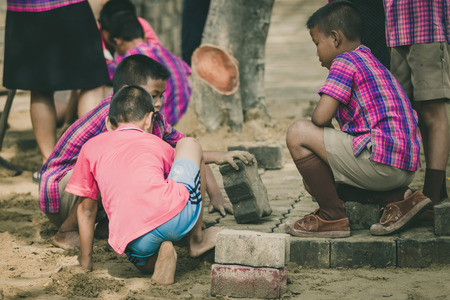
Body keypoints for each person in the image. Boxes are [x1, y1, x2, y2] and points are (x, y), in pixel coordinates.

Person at [39, 54, 252, 250]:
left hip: (88, 197)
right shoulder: (111, 116)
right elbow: (102, 166)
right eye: (153, 95)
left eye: (161, 95)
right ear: (128, 91)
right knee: (122, 168)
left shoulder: (154, 118)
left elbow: (189, 152)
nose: (158, 103)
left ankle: (108, 228)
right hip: (63, 190)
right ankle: (67, 232)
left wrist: (217, 197)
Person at [283, 1, 429, 238]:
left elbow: (320, 117)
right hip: (402, 166)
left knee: (298, 132)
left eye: (317, 43)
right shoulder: (371, 60)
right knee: (317, 182)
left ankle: (332, 216)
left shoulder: (344, 61)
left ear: (335, 38)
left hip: (381, 161)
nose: (316, 51)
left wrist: (320, 114)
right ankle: (400, 199)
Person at [68, 85, 223, 285]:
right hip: (176, 218)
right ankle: (196, 241)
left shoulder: (90, 147)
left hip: (134, 238)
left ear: (108, 122)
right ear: (149, 119)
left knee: (140, 255)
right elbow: (177, 174)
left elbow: (87, 210)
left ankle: (155, 260)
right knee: (189, 144)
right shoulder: (158, 144)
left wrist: (85, 264)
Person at [3, 0, 110, 170]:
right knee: (92, 82)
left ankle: (50, 165)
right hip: (69, 6)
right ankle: (87, 161)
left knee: (39, 89)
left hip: (25, 11)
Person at [383, 0, 449, 209]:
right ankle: (437, 190)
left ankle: (431, 199)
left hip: (427, 27)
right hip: (397, 29)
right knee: (414, 113)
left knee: (433, 113)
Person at [104, 12, 190, 126]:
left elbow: (105, 76)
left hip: (157, 121)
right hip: (182, 115)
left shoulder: (128, 61)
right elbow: (188, 71)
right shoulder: (165, 52)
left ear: (118, 42)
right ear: (143, 34)